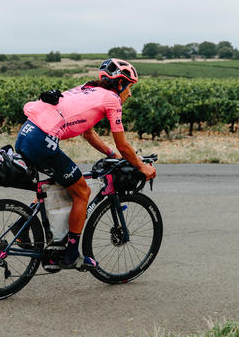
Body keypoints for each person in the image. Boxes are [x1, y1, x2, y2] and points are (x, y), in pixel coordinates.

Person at [14, 58, 157, 269]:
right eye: (130, 87)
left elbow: (89, 134)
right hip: (42, 141)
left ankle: (21, 227)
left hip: (26, 135)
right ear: (121, 84)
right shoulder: (112, 99)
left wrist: (111, 154)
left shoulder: (87, 89)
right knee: (82, 191)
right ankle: (71, 255)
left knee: (54, 185)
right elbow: (124, 145)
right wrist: (141, 166)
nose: (130, 93)